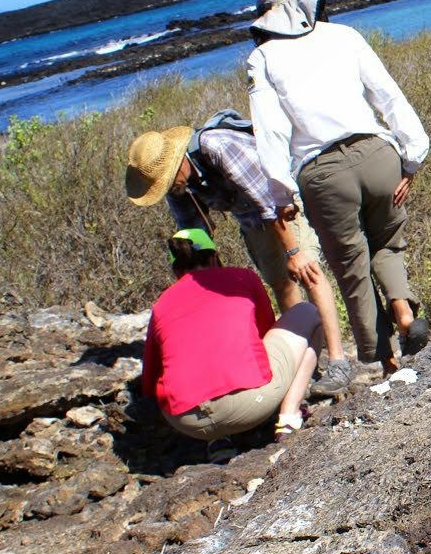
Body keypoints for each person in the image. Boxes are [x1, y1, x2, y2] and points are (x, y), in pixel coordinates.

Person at [246, 0, 431, 376]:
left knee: (352, 268)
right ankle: (402, 308)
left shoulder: (262, 58)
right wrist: (412, 157)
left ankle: (388, 360)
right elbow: (388, 95)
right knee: (388, 244)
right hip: (379, 155)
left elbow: (270, 129)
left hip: (323, 174)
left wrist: (282, 193)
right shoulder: (345, 35)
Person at [126, 116, 356, 395]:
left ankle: (337, 361)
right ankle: (308, 363)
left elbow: (268, 199)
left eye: (166, 181)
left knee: (307, 272)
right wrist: (206, 282)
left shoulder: (216, 148)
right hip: (251, 220)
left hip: (282, 206)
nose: (169, 189)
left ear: (177, 162)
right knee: (282, 285)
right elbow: (196, 234)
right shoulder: (178, 187)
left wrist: (293, 252)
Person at [140, 229, 321, 457]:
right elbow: (265, 333)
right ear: (214, 257)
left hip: (188, 421)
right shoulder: (241, 278)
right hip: (252, 405)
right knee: (309, 312)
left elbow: (149, 382)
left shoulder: (161, 304)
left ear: (176, 269)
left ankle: (218, 442)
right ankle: (289, 419)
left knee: (197, 363)